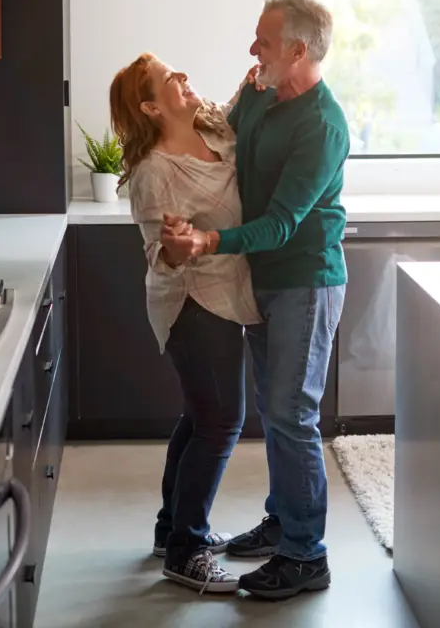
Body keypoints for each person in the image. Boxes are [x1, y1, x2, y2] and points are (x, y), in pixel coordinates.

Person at [161, 0, 350, 601]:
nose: (253, 49)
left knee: (293, 415)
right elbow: (223, 142)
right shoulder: (266, 98)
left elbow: (281, 223)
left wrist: (211, 239)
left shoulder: (322, 124)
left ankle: (305, 555)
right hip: (263, 280)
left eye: (264, 42)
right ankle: (283, 522)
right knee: (275, 412)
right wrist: (234, 100)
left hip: (306, 279)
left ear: (299, 50)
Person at [109, 53, 261, 595]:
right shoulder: (155, 171)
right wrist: (176, 249)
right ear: (151, 106)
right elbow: (157, 254)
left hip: (224, 291)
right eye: (170, 79)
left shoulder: (211, 127)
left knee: (200, 418)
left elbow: (237, 110)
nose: (184, 78)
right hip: (193, 302)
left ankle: (169, 530)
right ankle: (187, 551)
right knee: (221, 423)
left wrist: (250, 84)